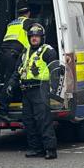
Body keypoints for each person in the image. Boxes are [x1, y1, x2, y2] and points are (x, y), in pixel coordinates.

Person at [7, 23, 58, 159]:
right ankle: (36, 148)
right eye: (32, 36)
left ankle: (50, 149)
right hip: (26, 90)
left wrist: (54, 88)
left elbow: (55, 71)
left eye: (37, 36)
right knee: (28, 120)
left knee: (43, 120)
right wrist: (11, 84)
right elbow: (18, 70)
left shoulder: (48, 51)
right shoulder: (25, 52)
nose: (34, 39)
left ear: (42, 37)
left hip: (40, 89)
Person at [0, 4, 35, 122]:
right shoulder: (28, 23)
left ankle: (11, 106)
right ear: (28, 13)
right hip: (15, 54)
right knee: (12, 81)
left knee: (11, 79)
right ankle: (3, 111)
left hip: (5, 53)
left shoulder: (12, 23)